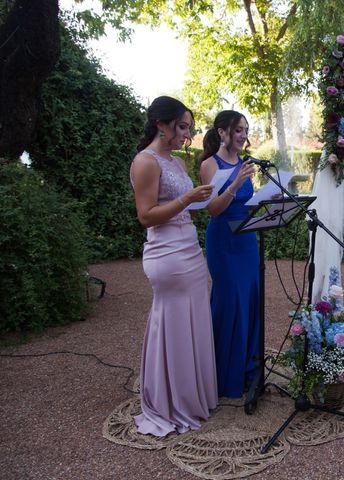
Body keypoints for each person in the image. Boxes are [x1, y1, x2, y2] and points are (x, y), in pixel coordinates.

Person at [130, 96, 218, 436]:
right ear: (161, 125)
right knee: (174, 323)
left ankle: (192, 395)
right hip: (166, 254)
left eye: (190, 129)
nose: (187, 135)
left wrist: (220, 190)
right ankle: (169, 400)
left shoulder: (178, 163)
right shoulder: (146, 161)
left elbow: (188, 208)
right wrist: (186, 199)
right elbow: (146, 215)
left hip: (190, 249)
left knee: (193, 321)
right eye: (182, 127)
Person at [199, 111, 260, 398]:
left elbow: (249, 202)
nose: (243, 135)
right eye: (238, 129)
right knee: (230, 301)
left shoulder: (247, 163)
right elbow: (212, 209)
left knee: (249, 300)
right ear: (222, 132)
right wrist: (235, 185)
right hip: (224, 241)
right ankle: (223, 376)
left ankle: (248, 368)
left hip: (248, 240)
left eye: (246, 129)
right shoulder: (210, 165)